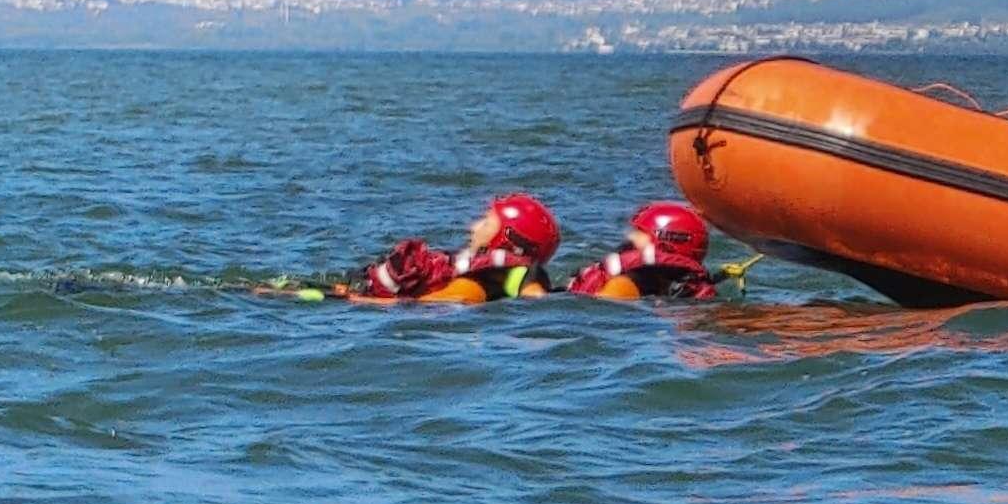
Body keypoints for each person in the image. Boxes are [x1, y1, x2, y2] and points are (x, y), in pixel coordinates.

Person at [290, 192, 562, 303]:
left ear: (509, 239)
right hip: (356, 289)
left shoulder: (486, 281)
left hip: (357, 302)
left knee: (263, 292)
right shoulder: (506, 275)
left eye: (486, 221)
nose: (473, 227)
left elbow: (445, 303)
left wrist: (359, 302)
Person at [567, 202, 722, 300]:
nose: (630, 237)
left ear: (665, 243)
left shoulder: (626, 283)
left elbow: (600, 314)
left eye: (639, 234)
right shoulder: (688, 288)